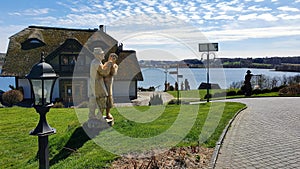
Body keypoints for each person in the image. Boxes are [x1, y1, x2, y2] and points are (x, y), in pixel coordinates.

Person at [88, 47, 112, 119]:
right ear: (98, 55)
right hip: (97, 84)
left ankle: (92, 115)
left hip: (94, 83)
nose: (103, 55)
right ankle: (99, 116)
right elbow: (104, 73)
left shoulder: (95, 62)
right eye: (102, 54)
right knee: (102, 99)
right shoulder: (97, 63)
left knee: (93, 100)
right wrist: (109, 64)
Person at [103, 53, 118, 119]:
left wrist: (112, 65)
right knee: (102, 98)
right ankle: (99, 113)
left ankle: (107, 113)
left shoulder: (115, 66)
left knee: (109, 98)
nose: (112, 57)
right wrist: (109, 64)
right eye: (111, 56)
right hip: (102, 82)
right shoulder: (106, 63)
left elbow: (113, 73)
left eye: (114, 57)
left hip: (109, 83)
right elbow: (103, 72)